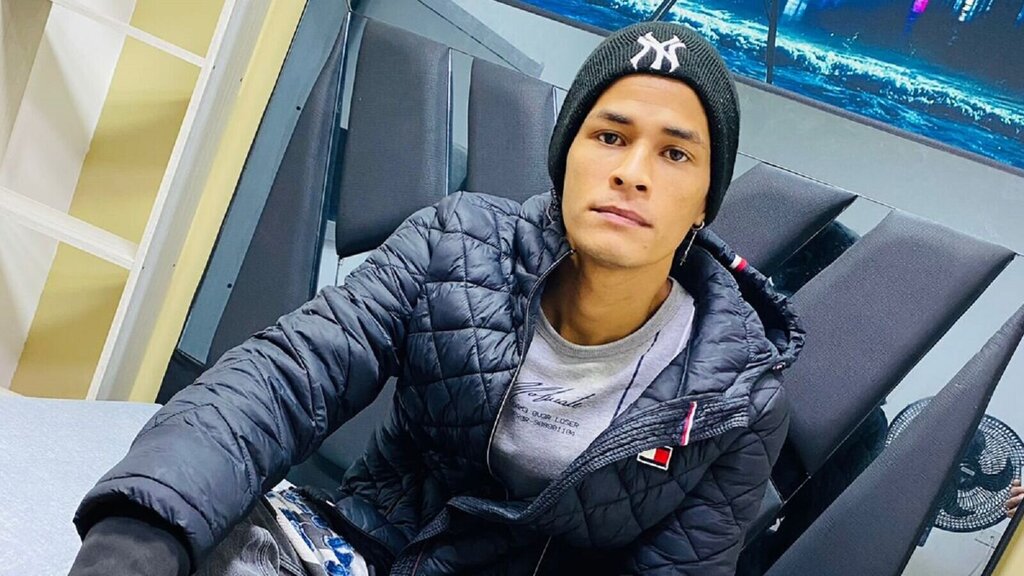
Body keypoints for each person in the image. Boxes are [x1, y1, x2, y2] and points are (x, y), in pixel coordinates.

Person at [68, 22, 801, 576]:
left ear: (704, 200)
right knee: (199, 530)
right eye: (610, 136)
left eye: (675, 153)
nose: (632, 172)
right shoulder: (455, 244)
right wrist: (141, 531)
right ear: (567, 158)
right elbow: (285, 377)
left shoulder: (738, 398)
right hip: (366, 548)